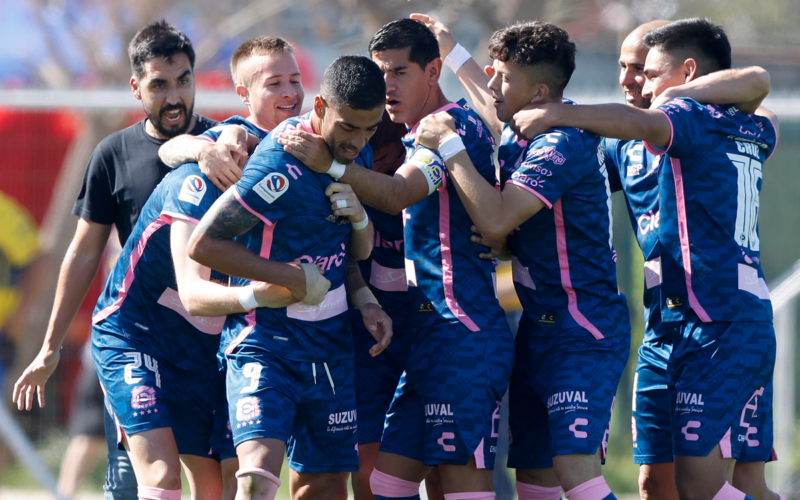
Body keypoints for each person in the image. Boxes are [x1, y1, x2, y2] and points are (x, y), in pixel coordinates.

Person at [503, 18, 781, 500]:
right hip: (667, 326)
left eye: (644, 70)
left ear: (688, 73)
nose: (632, 80)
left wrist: (559, 113)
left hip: (721, 322)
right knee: (658, 483)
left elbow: (757, 80)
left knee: (709, 486)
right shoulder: (630, 139)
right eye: (624, 67)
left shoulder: (691, 118)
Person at [279, 18, 513, 500]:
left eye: (399, 72)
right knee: (384, 483)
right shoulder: (398, 133)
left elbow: (398, 194)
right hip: (423, 337)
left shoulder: (448, 126)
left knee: (460, 487)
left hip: (462, 333)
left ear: (432, 71)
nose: (387, 84)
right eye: (381, 71)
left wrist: (329, 166)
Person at [414, 19, 630, 500]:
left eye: (504, 77)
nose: (492, 83)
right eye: (492, 72)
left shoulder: (560, 141)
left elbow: (494, 220)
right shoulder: (524, 125)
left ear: (540, 92)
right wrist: (451, 52)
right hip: (539, 328)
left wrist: (449, 144)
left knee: (576, 472)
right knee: (534, 483)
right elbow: (491, 104)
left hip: (583, 330)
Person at [11, 20, 223, 500]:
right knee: (146, 482)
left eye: (184, 81)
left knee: (217, 487)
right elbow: (84, 253)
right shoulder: (113, 154)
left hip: (207, 343)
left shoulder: (225, 145)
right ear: (135, 88)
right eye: (159, 85)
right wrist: (50, 347)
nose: (175, 97)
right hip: (135, 336)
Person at [188, 55, 390, 500]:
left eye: (370, 129)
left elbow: (351, 254)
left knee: (324, 488)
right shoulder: (281, 160)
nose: (358, 141)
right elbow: (202, 245)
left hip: (331, 346)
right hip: (268, 341)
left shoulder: (354, 153)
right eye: (349, 127)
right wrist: (289, 279)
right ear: (319, 106)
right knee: (257, 478)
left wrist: (366, 298)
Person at [159, 36, 305, 182]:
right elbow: (168, 150)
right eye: (274, 84)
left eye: (295, 81)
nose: (290, 93)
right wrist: (204, 150)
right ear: (244, 94)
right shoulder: (234, 136)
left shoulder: (313, 133)